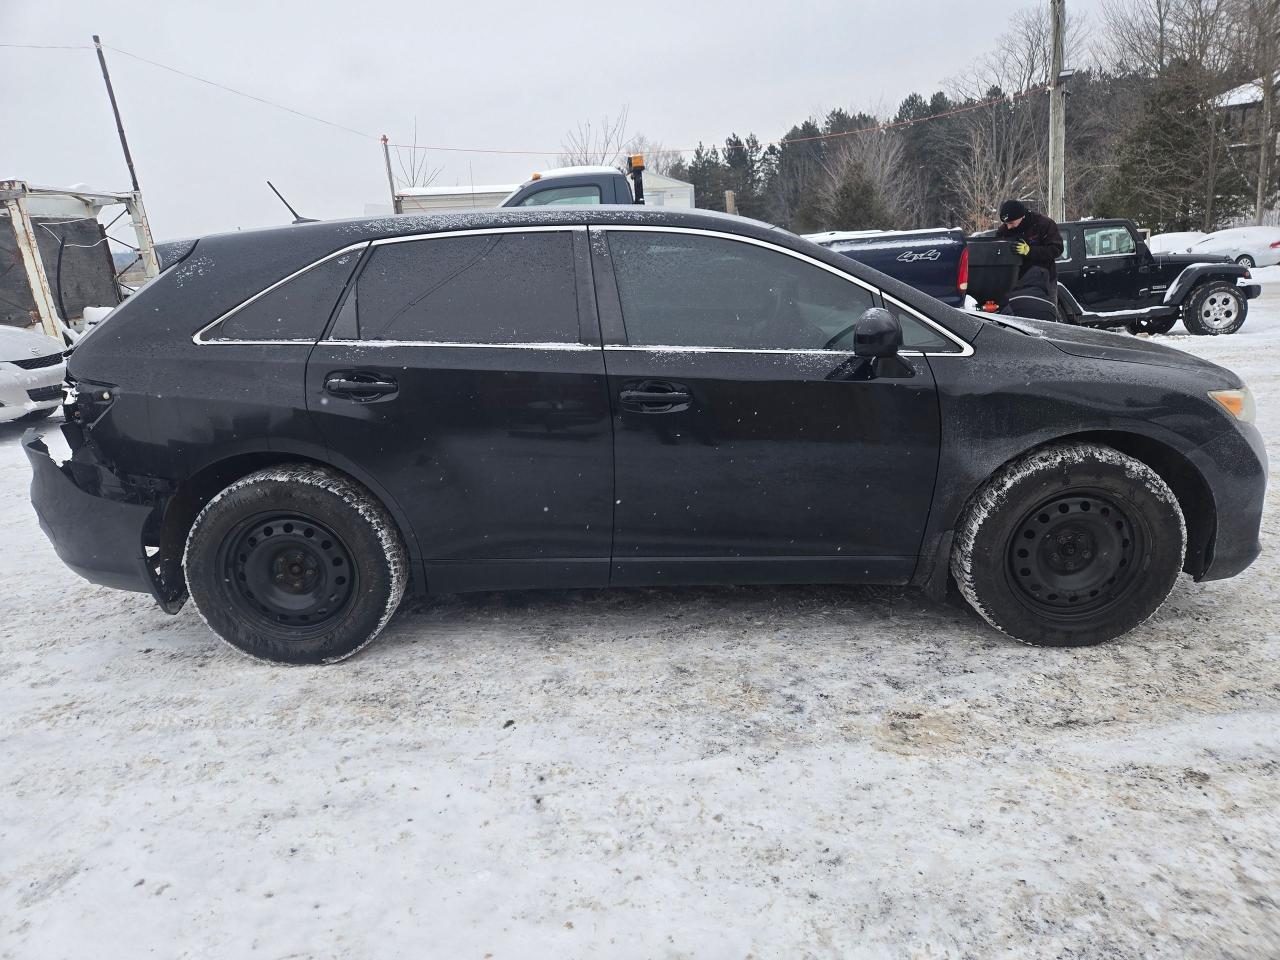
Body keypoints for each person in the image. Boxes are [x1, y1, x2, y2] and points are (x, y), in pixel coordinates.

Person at [996, 199, 1064, 284]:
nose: (1008, 227)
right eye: (1006, 223)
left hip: (1043, 281)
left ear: (1021, 216)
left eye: (1011, 223)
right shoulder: (1003, 230)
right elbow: (998, 253)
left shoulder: (1043, 224)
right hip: (1016, 281)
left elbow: (1056, 249)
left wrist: (1030, 251)